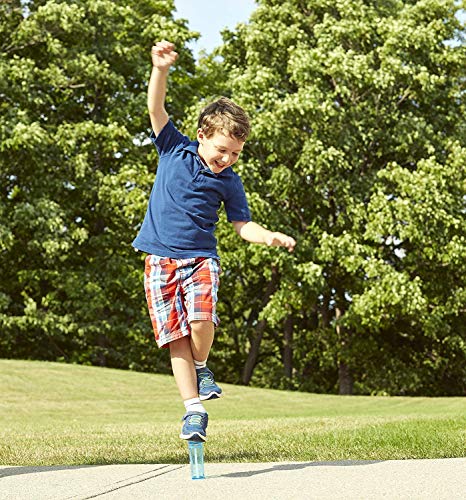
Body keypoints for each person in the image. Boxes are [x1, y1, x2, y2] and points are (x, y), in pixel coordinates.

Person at [132, 40, 296, 442]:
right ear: (203, 135)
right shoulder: (174, 149)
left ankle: (202, 364)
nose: (228, 159)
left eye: (236, 153)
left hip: (200, 258)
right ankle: (193, 411)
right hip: (158, 259)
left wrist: (267, 236)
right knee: (175, 337)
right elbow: (156, 108)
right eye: (223, 149)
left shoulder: (230, 181)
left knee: (201, 322)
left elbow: (242, 224)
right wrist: (161, 69)